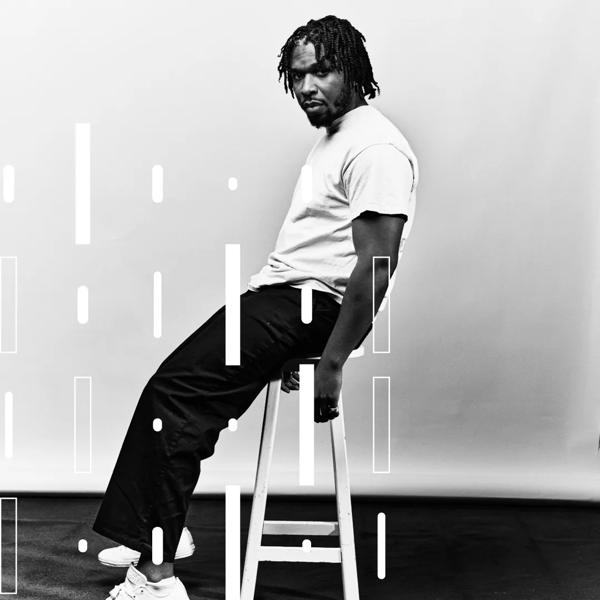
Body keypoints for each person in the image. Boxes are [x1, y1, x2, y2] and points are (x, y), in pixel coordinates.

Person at [94, 14, 419, 600]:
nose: (306, 88)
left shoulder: (375, 148)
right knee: (173, 394)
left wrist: (332, 362)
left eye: (320, 71)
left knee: (175, 399)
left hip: (307, 305)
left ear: (354, 71)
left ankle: (158, 577)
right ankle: (155, 532)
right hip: (284, 300)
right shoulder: (337, 137)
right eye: (297, 77)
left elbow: (375, 266)